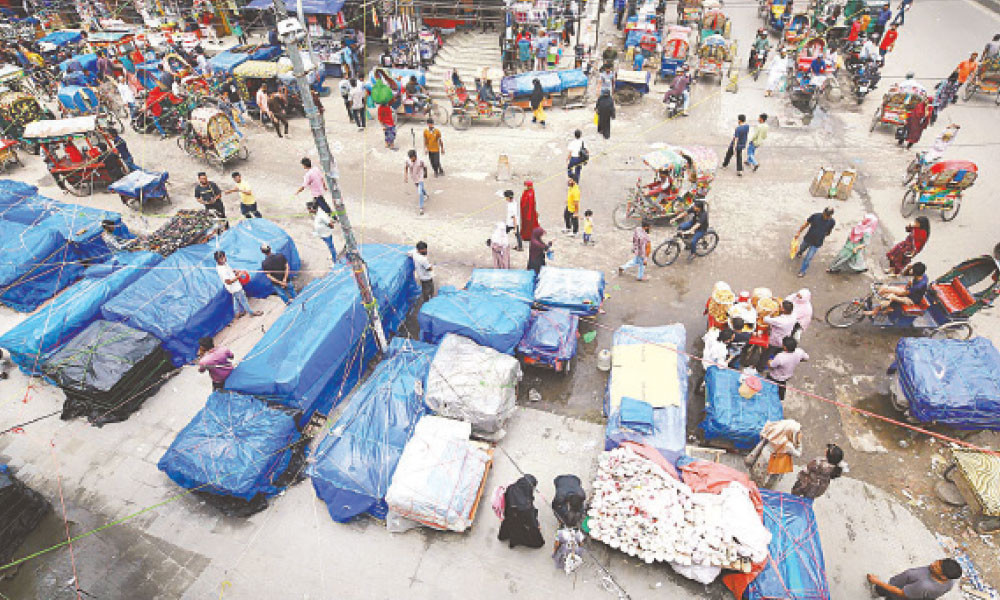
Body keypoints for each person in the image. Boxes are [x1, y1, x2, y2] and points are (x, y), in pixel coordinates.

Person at [746, 419, 802, 489]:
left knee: (757, 476)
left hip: (763, 457)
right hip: (776, 464)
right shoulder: (787, 445)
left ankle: (753, 485)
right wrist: (799, 443)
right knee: (771, 481)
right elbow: (798, 454)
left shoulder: (772, 433)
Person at [868, 560, 962, 599]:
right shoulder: (950, 581)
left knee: (883, 591)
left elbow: (901, 593)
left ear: (943, 576)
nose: (932, 564)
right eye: (937, 562)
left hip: (897, 593)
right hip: (913, 591)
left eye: (936, 567)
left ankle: (875, 593)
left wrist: (877, 582)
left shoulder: (924, 586)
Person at [498, 474, 545, 549]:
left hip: (509, 515)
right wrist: (536, 525)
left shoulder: (511, 488)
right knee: (538, 542)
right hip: (520, 517)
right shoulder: (526, 505)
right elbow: (531, 520)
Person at [214, 250, 260, 317]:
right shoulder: (222, 270)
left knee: (236, 298)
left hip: (232, 288)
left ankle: (237, 313)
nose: (225, 258)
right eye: (223, 257)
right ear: (219, 259)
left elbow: (228, 271)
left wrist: (234, 271)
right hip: (234, 287)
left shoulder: (223, 264)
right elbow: (228, 281)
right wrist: (238, 276)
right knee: (243, 299)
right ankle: (251, 312)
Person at [794, 208, 836, 277]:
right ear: (823, 213)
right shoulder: (815, 216)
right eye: (825, 215)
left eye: (828, 216)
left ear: (831, 216)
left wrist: (823, 235)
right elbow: (806, 224)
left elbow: (829, 231)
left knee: (808, 258)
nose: (826, 217)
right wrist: (798, 232)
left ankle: (802, 271)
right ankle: (800, 252)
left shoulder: (832, 222)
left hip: (817, 243)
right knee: (802, 247)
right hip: (808, 238)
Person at [767, 337, 809, 401]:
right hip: (787, 375)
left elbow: (771, 365)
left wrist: (769, 361)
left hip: (776, 376)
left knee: (768, 384)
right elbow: (806, 358)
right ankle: (781, 398)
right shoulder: (799, 351)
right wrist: (798, 360)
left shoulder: (781, 357)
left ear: (785, 347)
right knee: (782, 386)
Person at [404, 150, 429, 215]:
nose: (411, 159)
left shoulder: (420, 161)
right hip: (414, 178)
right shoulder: (408, 161)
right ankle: (426, 195)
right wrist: (406, 176)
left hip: (420, 177)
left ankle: (421, 208)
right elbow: (406, 167)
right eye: (410, 157)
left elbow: (425, 167)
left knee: (420, 192)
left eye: (412, 157)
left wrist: (425, 174)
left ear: (415, 156)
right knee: (420, 189)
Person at [519, 181, 539, 250]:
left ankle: (528, 236)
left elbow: (531, 205)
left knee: (529, 225)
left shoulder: (530, 193)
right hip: (525, 212)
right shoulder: (527, 191)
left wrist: (529, 214)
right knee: (525, 224)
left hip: (528, 213)